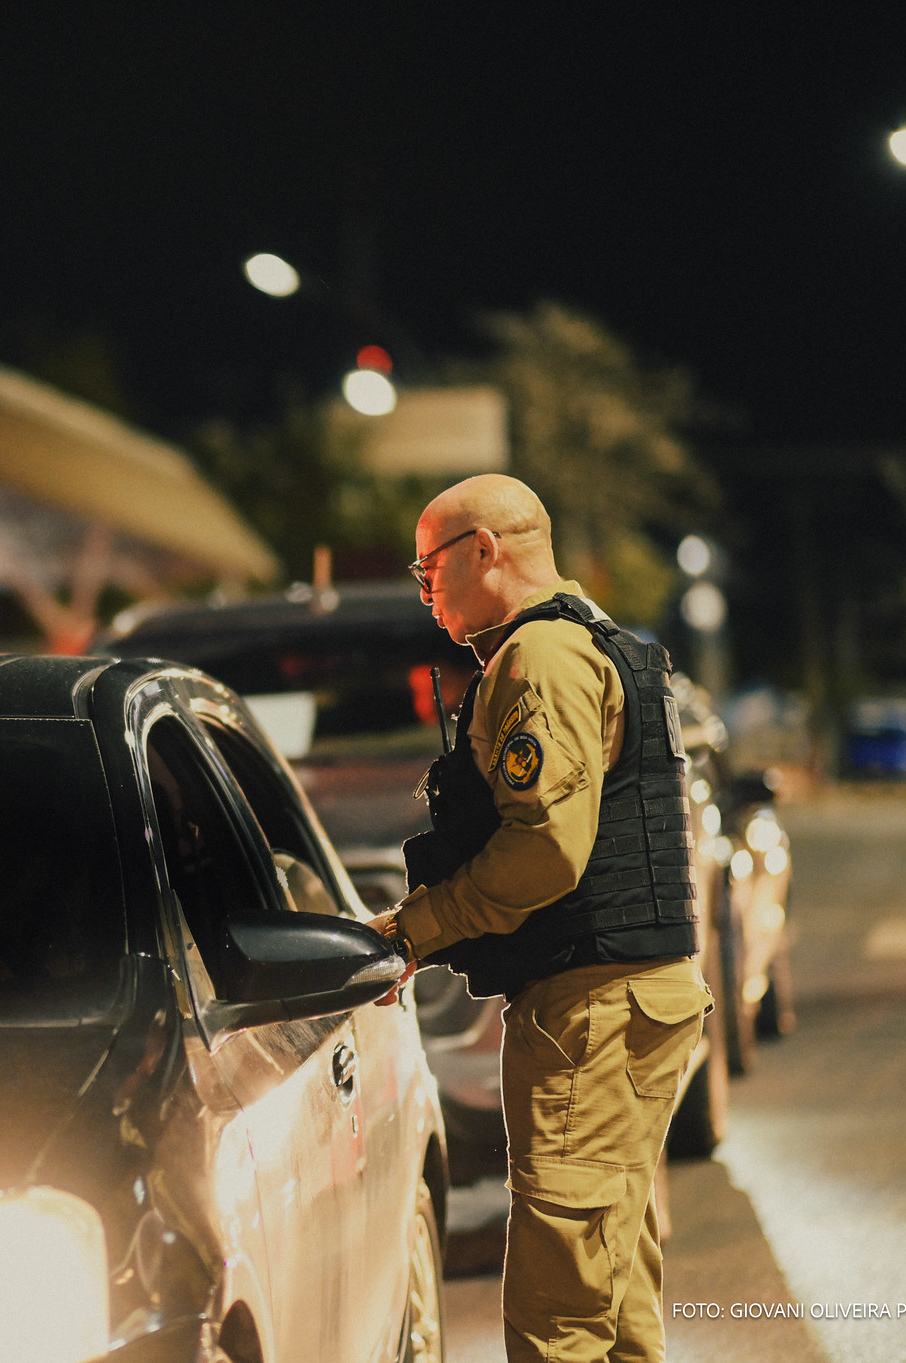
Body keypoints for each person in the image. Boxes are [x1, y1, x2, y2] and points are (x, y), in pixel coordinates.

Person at [367, 474, 711, 1363]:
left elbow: (546, 852)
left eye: (429, 566)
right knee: (615, 1282)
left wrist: (418, 927)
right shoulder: (599, 642)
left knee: (557, 1318)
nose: (425, 591)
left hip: (591, 1011)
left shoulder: (542, 660)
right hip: (626, 1000)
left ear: (486, 548)